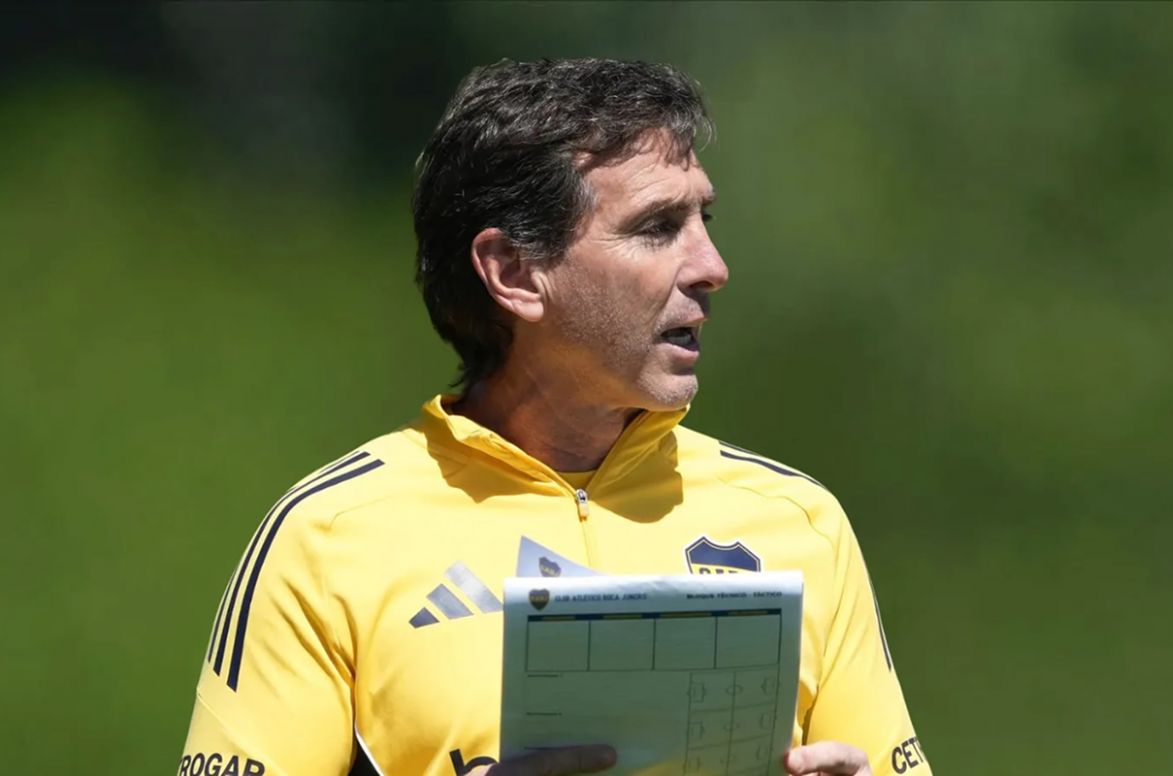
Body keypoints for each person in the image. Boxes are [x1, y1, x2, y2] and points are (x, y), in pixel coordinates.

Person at [179, 58, 931, 776]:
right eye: (657, 227)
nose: (713, 267)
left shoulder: (802, 521)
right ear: (514, 273)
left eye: (703, 218)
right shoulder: (327, 539)